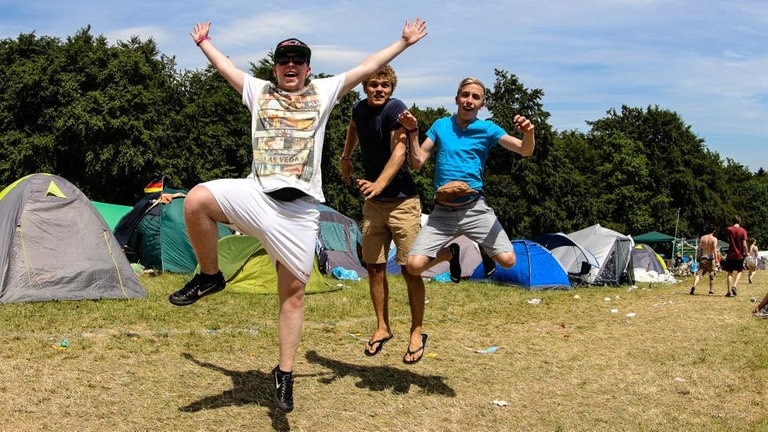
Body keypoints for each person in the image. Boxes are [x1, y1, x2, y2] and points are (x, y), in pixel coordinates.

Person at [167, 19, 428, 413]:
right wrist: (205, 43)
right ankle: (209, 275)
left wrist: (404, 43)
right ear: (275, 67)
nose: (291, 66)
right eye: (284, 60)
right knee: (196, 200)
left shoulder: (323, 92)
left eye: (298, 61)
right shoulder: (259, 91)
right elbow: (227, 69)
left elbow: (365, 65)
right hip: (258, 195)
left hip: (300, 211)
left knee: (292, 296)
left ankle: (284, 374)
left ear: (308, 68)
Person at [398, 77, 535, 363]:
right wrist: (413, 133)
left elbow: (524, 150)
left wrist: (528, 133)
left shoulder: (487, 129)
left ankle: (471, 249)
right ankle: (450, 253)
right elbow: (418, 162)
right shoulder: (440, 126)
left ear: (482, 104)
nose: (470, 101)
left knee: (508, 260)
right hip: (442, 212)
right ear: (457, 98)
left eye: (476, 97)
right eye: (465, 95)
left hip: (475, 208)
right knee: (413, 266)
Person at [339, 65, 427, 362]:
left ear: (392, 88)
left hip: (402, 201)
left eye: (385, 85)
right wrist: (346, 157)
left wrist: (378, 184)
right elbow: (352, 127)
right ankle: (382, 327)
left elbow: (400, 152)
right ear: (364, 87)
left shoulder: (396, 110)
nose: (379, 90)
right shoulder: (359, 108)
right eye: (374, 84)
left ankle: (417, 330)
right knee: (374, 266)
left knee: (410, 269)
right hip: (374, 203)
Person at [723, 215, 748, 297]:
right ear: (739, 221)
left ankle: (728, 291)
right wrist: (746, 252)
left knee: (729, 273)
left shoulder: (728, 229)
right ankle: (735, 285)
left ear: (732, 221)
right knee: (740, 271)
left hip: (730, 254)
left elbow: (728, 239)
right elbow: (744, 245)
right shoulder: (743, 231)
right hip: (739, 255)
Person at [690, 226, 718, 295]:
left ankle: (694, 286)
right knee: (712, 274)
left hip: (703, 258)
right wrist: (716, 259)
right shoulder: (714, 239)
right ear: (714, 231)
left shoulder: (702, 238)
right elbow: (714, 250)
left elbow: (699, 248)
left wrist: (698, 256)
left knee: (699, 274)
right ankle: (711, 290)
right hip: (710, 258)